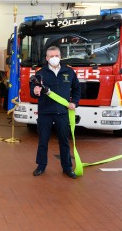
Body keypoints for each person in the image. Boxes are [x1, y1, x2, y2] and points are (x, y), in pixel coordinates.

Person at [30, 46, 81, 179]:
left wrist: (74, 102)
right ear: (47, 58)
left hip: (62, 113)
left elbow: (77, 89)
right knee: (43, 141)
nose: (54, 58)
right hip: (45, 113)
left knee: (64, 141)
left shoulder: (69, 72)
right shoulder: (40, 73)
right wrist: (35, 91)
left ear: (60, 56)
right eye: (51, 56)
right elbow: (33, 91)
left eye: (56, 55)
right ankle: (41, 166)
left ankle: (67, 168)